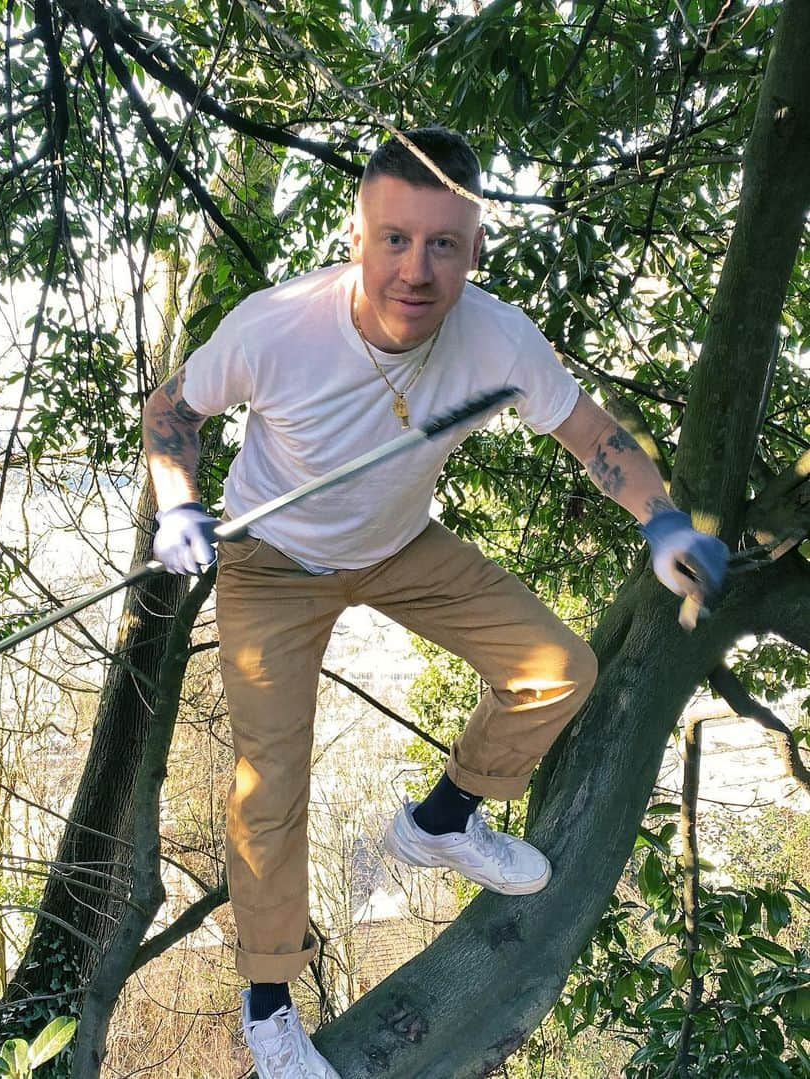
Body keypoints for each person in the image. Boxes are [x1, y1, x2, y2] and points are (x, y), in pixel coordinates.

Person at [141, 128, 727, 1079]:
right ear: (359, 235)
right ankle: (268, 1006)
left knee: (558, 668)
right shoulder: (276, 326)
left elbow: (589, 433)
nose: (416, 269)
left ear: (475, 248)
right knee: (270, 783)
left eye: (443, 244)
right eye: (395, 239)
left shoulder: (496, 337)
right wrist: (179, 499)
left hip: (401, 545)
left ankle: (445, 818)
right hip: (273, 560)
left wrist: (662, 520)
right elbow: (171, 410)